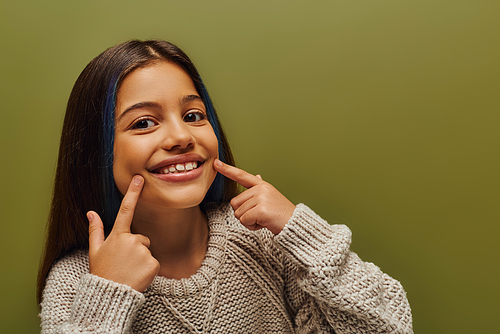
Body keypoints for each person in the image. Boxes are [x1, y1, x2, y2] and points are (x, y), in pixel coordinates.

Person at [37, 40, 413, 334]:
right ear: (97, 149)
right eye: (144, 123)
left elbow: (390, 326)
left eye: (193, 115)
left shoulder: (264, 241)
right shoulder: (77, 281)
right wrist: (108, 298)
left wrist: (301, 230)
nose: (182, 136)